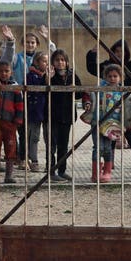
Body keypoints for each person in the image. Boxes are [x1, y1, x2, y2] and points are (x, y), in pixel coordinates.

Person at [85, 39, 131, 169]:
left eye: (122, 52)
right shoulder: (108, 67)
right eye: (116, 51)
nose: (119, 54)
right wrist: (93, 53)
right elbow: (92, 68)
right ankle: (110, 161)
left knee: (130, 132)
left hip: (128, 104)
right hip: (110, 106)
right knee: (111, 131)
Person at [0, 24, 55, 167]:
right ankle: (20, 157)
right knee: (18, 130)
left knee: (30, 133)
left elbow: (54, 57)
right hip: (18, 98)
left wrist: (48, 40)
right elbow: (6, 59)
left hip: (37, 102)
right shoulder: (18, 58)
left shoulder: (42, 59)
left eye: (33, 42)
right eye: (27, 42)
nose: (30, 44)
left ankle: (28, 158)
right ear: (23, 44)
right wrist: (10, 42)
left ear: (37, 44)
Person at [48, 48, 86, 181]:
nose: (60, 62)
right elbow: (43, 91)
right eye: (57, 60)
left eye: (62, 60)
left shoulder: (72, 75)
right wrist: (48, 79)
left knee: (63, 145)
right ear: (53, 62)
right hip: (52, 114)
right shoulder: (50, 75)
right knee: (51, 145)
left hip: (67, 115)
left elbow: (80, 94)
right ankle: (51, 172)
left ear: (67, 62)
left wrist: (74, 87)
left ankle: (62, 170)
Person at [88, 63, 125, 183]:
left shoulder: (122, 92)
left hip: (112, 124)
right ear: (105, 77)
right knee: (98, 147)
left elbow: (127, 109)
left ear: (120, 77)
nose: (112, 79)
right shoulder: (100, 90)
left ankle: (107, 172)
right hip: (98, 122)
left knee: (108, 148)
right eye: (110, 76)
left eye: (115, 76)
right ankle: (96, 173)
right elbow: (90, 98)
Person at [0, 60, 23, 185]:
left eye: (6, 71)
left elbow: (19, 106)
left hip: (10, 123)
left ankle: (9, 175)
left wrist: (18, 120)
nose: (3, 73)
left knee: (10, 148)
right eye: (1, 71)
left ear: (11, 72)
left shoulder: (15, 87)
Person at [24, 51, 50, 173]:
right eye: (44, 61)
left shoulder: (48, 75)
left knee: (48, 138)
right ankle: (33, 160)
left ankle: (49, 163)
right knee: (34, 137)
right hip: (34, 111)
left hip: (46, 112)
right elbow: (34, 90)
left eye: (48, 62)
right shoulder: (31, 75)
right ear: (36, 62)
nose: (46, 64)